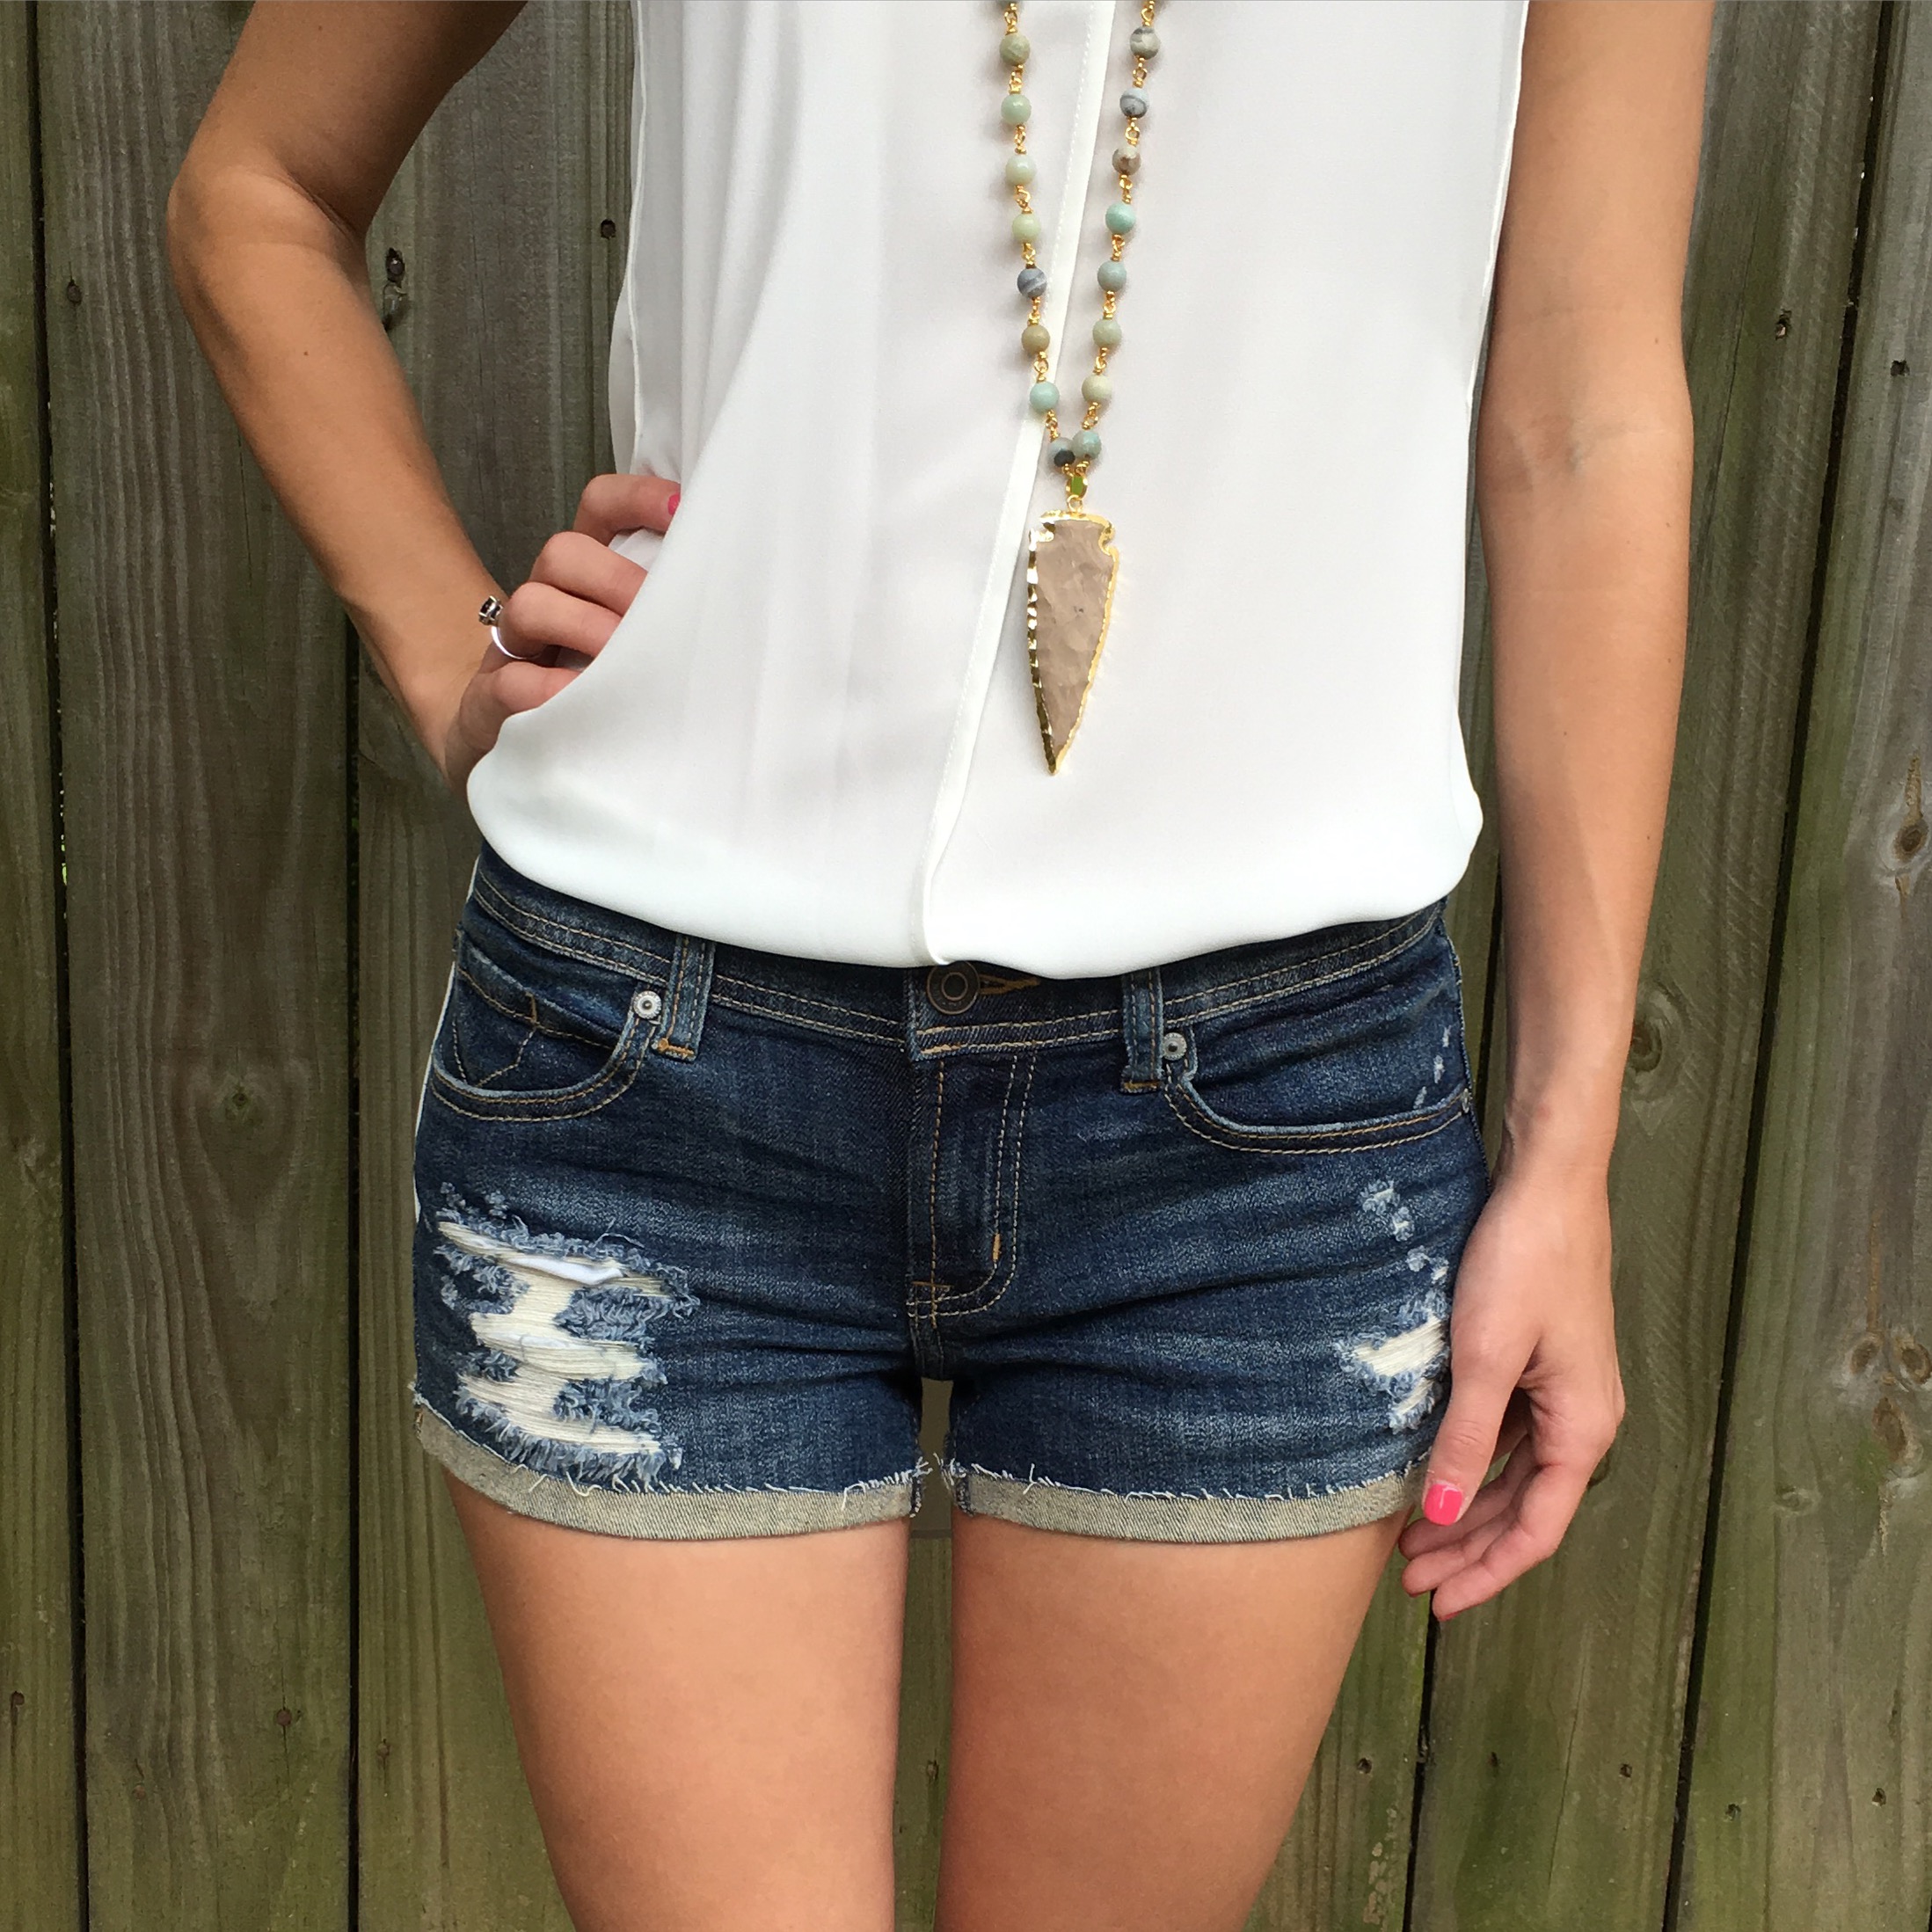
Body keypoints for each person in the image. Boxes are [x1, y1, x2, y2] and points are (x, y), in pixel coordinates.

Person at [166, 3, 1712, 1927]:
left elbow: (1587, 412)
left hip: (1262, 1137)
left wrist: (1567, 1154)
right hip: (655, 1072)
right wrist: (447, 647)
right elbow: (258, 189)